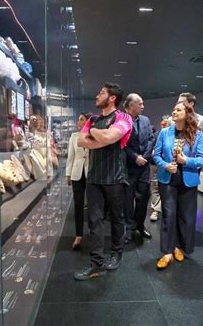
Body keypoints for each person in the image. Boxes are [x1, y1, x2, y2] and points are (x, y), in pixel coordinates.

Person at [74, 83, 132, 281]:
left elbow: (110, 136)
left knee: (117, 218)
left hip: (115, 177)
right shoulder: (93, 118)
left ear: (112, 98)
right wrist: (104, 136)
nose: (97, 95)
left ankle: (116, 254)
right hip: (94, 177)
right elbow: (80, 141)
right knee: (94, 220)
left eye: (102, 93)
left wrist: (95, 134)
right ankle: (96, 262)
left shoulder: (123, 118)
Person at [153, 102, 203, 269]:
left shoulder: (197, 134)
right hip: (167, 179)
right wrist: (165, 165)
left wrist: (187, 160)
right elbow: (156, 155)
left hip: (188, 180)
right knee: (169, 215)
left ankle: (180, 247)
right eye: (174, 109)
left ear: (187, 113)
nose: (173, 111)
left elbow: (202, 159)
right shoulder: (164, 132)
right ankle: (167, 252)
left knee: (186, 217)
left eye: (178, 109)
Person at [123, 94, 154, 243]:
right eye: (140, 104)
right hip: (128, 166)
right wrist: (135, 157)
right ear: (130, 106)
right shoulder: (121, 120)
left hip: (144, 167)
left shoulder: (146, 120)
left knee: (143, 198)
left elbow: (150, 139)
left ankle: (140, 225)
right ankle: (129, 228)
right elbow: (122, 145)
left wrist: (145, 157)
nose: (143, 106)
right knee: (128, 200)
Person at [66, 112, 92, 250]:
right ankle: (78, 234)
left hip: (91, 173)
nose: (78, 122)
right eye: (78, 119)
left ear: (87, 122)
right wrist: (68, 174)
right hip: (77, 173)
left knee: (93, 204)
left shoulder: (94, 135)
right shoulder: (74, 137)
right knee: (78, 204)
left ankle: (93, 231)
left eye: (81, 120)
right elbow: (71, 156)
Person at [177, 93, 203, 157]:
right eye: (178, 103)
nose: (179, 105)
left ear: (191, 103)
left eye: (181, 102)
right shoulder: (173, 120)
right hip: (177, 160)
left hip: (197, 161)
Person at [149, 125, 162, 222]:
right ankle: (156, 210)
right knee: (156, 186)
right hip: (156, 164)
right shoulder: (157, 135)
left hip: (173, 166)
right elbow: (152, 150)